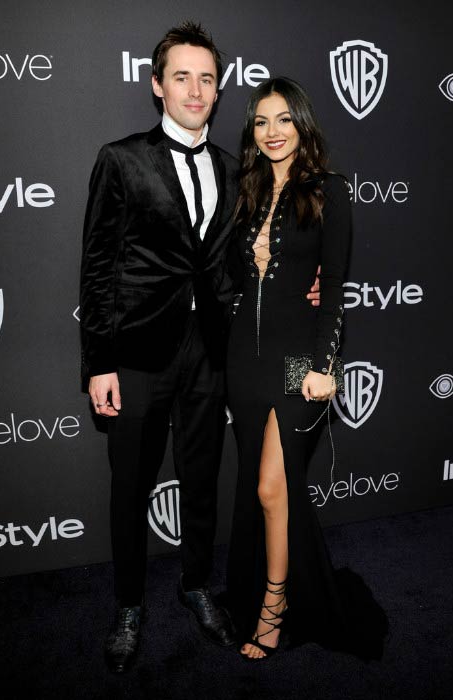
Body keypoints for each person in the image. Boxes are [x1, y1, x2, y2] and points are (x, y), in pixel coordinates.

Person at [80, 23, 321, 672]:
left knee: (202, 481)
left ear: (219, 91)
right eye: (180, 76)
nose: (195, 89)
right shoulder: (120, 159)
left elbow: (241, 266)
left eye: (207, 78)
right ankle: (129, 605)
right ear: (156, 84)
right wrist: (98, 362)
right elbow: (97, 268)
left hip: (212, 354)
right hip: (135, 354)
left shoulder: (232, 170)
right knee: (129, 488)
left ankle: (195, 587)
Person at [225, 77, 387, 660]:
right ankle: (270, 587)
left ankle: (275, 604)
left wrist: (325, 365)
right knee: (259, 487)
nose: (272, 132)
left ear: (302, 123)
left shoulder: (328, 190)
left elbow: (336, 290)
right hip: (244, 357)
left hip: (300, 360)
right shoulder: (242, 189)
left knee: (274, 486)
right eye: (262, 121)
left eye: (283, 120)